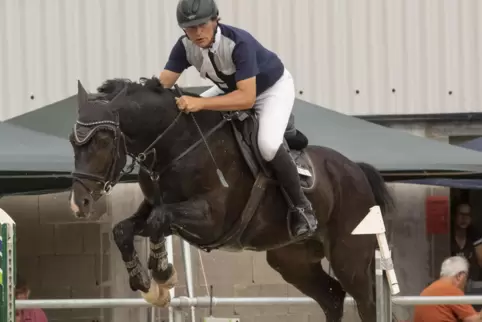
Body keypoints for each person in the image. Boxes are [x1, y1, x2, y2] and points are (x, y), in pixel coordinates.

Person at [159, 0, 318, 237]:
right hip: (231, 88)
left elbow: (246, 99)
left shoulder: (238, 42)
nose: (198, 33)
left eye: (202, 25)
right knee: (189, 118)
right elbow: (162, 84)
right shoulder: (184, 46)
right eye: (190, 28)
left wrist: (200, 102)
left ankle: (302, 208)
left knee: (267, 145)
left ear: (215, 20)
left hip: (270, 90)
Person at [413, 256, 482, 322]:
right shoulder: (452, 290)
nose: (465, 283)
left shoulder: (426, 291)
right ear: (460, 276)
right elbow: (475, 320)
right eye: (466, 278)